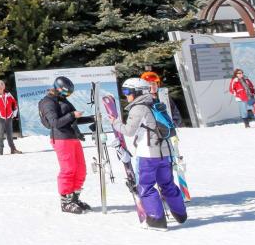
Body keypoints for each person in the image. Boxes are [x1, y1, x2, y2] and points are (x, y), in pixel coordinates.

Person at [108, 78, 187, 229]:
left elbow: (129, 131)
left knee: (146, 186)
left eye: (127, 92)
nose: (125, 95)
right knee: (167, 184)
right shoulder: (156, 104)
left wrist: (115, 122)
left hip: (148, 153)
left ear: (137, 92)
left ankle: (156, 221)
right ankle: (181, 214)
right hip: (166, 152)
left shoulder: (138, 108)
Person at [38, 76, 92, 214]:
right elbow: (54, 123)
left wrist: (93, 118)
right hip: (61, 139)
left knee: (80, 169)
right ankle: (66, 201)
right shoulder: (47, 102)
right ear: (59, 88)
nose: (67, 96)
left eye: (69, 94)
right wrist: (72, 115)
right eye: (66, 93)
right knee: (68, 169)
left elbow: (73, 119)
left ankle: (74, 198)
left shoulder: (62, 100)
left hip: (73, 137)